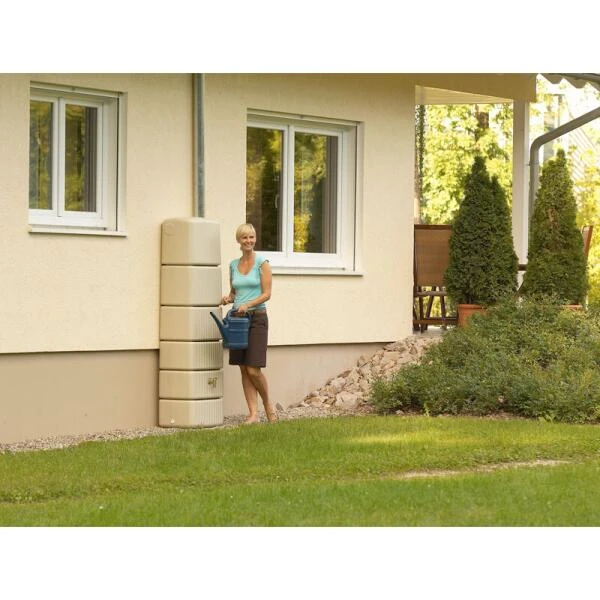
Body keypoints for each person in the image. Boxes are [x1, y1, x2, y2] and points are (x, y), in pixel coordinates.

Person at [221, 223, 277, 423]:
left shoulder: (262, 263)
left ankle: (268, 404)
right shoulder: (233, 265)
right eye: (245, 237)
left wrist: (248, 304)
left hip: (257, 318)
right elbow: (235, 292)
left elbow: (267, 294)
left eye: (251, 237)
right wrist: (228, 299)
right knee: (243, 368)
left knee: (253, 368)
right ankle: (253, 414)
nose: (249, 241)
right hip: (238, 320)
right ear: (239, 240)